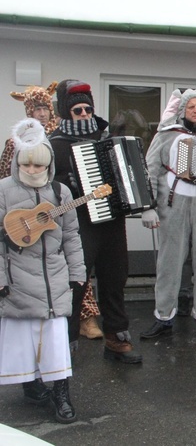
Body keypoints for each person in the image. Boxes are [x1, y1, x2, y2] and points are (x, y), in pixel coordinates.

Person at [49, 80, 142, 364]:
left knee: (115, 278)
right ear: (67, 112)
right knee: (75, 282)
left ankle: (115, 337)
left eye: (87, 108)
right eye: (77, 109)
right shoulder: (55, 144)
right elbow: (48, 184)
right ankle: (65, 344)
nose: (83, 113)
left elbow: (130, 169)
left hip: (112, 221)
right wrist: (72, 182)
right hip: (78, 223)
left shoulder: (107, 138)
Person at [0, 118, 86, 424]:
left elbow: (71, 235)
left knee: (55, 338)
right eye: (27, 165)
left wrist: (77, 271)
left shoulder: (61, 193)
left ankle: (61, 393)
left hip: (55, 276)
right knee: (24, 335)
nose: (33, 171)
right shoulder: (3, 191)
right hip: (19, 276)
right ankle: (31, 385)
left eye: (39, 166)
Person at [6, 84, 103, 340]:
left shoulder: (60, 135)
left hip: (62, 221)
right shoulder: (14, 143)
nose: (41, 113)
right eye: (35, 108)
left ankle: (84, 321)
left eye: (44, 107)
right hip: (25, 226)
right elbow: (8, 175)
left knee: (74, 273)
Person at [139, 89, 196, 341]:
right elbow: (151, 170)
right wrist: (148, 206)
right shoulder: (166, 136)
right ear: (182, 110)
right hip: (173, 205)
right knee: (169, 262)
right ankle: (163, 317)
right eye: (191, 107)